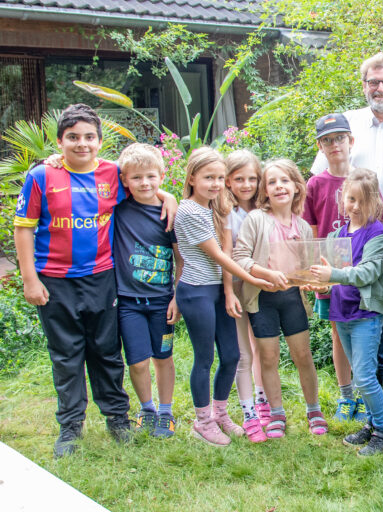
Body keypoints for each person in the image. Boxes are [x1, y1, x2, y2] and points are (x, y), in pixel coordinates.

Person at [13, 103, 176, 457]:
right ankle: (70, 427)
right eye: (73, 137)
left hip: (102, 279)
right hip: (55, 280)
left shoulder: (112, 174)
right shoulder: (41, 176)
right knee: (66, 355)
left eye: (89, 137)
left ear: (100, 142)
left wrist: (169, 195)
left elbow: (144, 180)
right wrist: (29, 279)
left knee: (106, 351)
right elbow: (23, 227)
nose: (81, 144)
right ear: (60, 141)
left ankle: (117, 418)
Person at [310, 53, 383, 395]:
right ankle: (361, 371)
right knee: (352, 299)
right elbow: (321, 175)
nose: (380, 88)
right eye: (373, 82)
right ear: (364, 85)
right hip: (350, 233)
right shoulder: (347, 125)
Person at [174, 147, 272, 446]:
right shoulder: (189, 211)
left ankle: (219, 413)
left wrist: (230, 290)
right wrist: (254, 278)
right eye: (208, 178)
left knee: (231, 355)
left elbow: (227, 249)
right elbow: (217, 255)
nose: (216, 184)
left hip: (217, 290)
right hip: (196, 291)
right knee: (204, 358)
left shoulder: (213, 208)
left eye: (219, 177)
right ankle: (202, 421)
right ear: (192, 178)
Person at [233, 159, 327, 438]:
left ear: (297, 187)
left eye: (284, 181)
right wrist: (267, 274)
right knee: (269, 357)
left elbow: (305, 267)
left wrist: (311, 281)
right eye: (272, 182)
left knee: (302, 355)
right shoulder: (256, 220)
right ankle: (276, 413)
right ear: (265, 190)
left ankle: (314, 409)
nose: (279, 187)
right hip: (262, 298)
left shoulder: (302, 225)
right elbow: (240, 258)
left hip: (292, 300)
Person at [310, 168, 383, 455]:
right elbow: (329, 274)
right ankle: (372, 425)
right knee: (362, 374)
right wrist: (318, 282)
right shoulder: (337, 234)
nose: (356, 207)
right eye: (351, 199)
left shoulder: (379, 234)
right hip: (341, 312)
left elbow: (369, 271)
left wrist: (333, 272)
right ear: (343, 200)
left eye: (363, 201)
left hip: (366, 314)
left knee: (364, 375)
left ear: (376, 202)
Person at [113, 143, 182, 439]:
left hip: (162, 301)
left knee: (163, 356)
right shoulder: (118, 209)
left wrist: (178, 297)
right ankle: (147, 409)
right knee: (138, 361)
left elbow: (182, 260)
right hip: (128, 302)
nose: (145, 183)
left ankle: (166, 411)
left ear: (162, 175)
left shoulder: (171, 215)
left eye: (151, 177)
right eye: (137, 178)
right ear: (125, 180)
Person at [304, 114, 359, 422]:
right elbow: (312, 233)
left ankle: (365, 393)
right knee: (339, 335)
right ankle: (346, 394)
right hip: (330, 268)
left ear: (351, 141)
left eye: (340, 138)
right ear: (320, 146)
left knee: (365, 333)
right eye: (327, 140)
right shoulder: (315, 184)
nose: (335, 144)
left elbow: (377, 224)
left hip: (360, 271)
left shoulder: (364, 179)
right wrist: (318, 273)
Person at [225, 149, 269, 443]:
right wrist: (229, 290)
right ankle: (249, 412)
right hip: (237, 286)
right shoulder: (226, 213)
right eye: (239, 179)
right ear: (227, 181)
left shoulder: (263, 210)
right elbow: (226, 255)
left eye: (252, 178)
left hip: (262, 286)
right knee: (243, 352)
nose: (246, 185)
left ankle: (264, 399)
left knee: (263, 348)